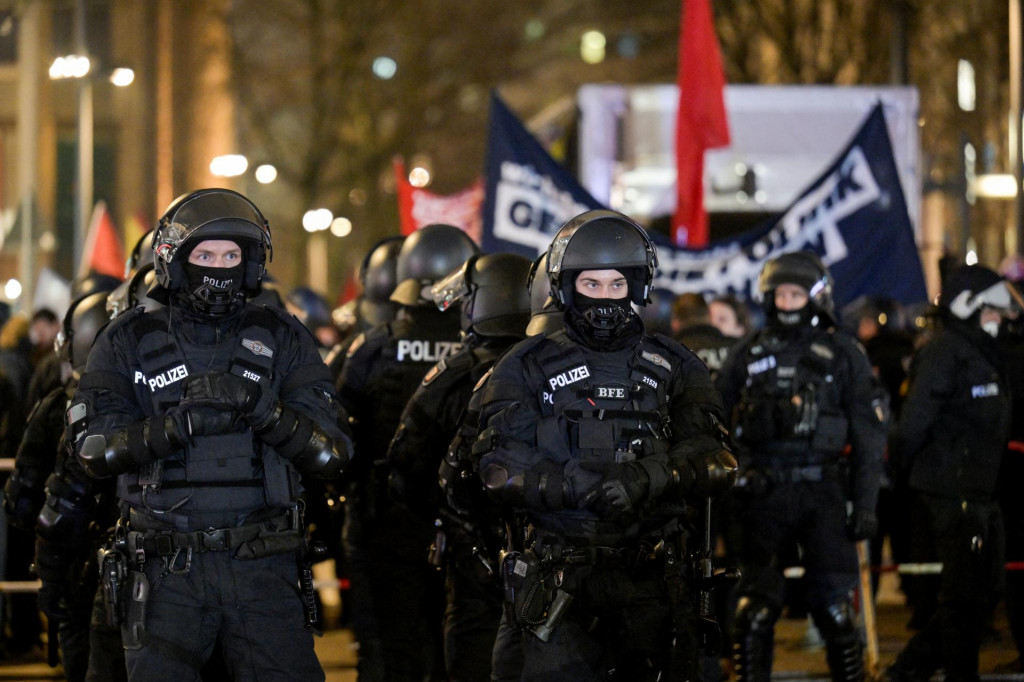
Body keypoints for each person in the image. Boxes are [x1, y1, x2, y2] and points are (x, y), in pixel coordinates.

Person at [64, 188, 351, 681]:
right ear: (174, 259)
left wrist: (261, 410)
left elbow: (332, 454)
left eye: (231, 254)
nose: (219, 266)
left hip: (263, 568)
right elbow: (92, 449)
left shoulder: (282, 336)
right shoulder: (127, 338)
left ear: (251, 262)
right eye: (205, 254)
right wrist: (179, 426)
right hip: (165, 576)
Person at [474, 209, 737, 680]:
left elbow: (715, 460)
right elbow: (498, 466)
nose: (605, 298)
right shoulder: (525, 364)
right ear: (565, 286)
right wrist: (577, 485)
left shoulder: (676, 364)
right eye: (591, 285)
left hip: (655, 579)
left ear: (636, 287)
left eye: (617, 285)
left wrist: (645, 478)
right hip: (561, 578)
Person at [714, 251, 886, 682]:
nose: (788, 302)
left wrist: (866, 503)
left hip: (823, 493)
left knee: (834, 610)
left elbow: (867, 433)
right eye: (780, 294)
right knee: (753, 612)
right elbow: (715, 424)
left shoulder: (844, 353)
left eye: (796, 294)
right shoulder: (746, 353)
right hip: (761, 495)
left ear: (816, 298)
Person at [336, 222, 478, 682]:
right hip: (468, 525)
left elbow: (339, 439)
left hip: (387, 526)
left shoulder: (372, 348)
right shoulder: (487, 351)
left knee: (389, 653)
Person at [388, 252, 532, 682]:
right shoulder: (556, 364)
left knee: (471, 652)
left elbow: (406, 460)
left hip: (474, 558)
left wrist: (444, 517)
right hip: (551, 555)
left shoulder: (455, 373)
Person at [887, 265, 1019, 682]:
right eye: (993, 311)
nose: (1002, 319)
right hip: (954, 491)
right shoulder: (946, 354)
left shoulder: (984, 354)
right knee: (964, 597)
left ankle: (912, 667)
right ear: (969, 308)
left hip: (980, 491)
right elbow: (912, 425)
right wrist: (905, 473)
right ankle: (955, 674)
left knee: (985, 592)